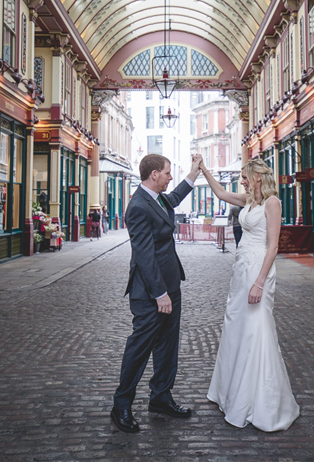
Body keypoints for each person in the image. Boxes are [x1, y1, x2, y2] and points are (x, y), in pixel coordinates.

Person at [200, 157, 300, 432]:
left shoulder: (272, 203)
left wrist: (259, 283)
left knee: (257, 329)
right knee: (237, 326)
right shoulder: (247, 201)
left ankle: (261, 400)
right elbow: (220, 193)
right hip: (240, 269)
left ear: (257, 177)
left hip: (258, 269)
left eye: (244, 176)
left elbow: (272, 246)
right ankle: (229, 392)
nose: (241, 180)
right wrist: (203, 169)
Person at [111, 153, 201, 434]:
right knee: (139, 347)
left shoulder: (158, 198)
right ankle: (121, 405)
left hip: (171, 286)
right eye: (167, 173)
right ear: (154, 175)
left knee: (167, 344)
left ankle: (161, 397)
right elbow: (144, 254)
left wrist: (194, 173)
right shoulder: (137, 206)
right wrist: (160, 294)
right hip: (150, 292)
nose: (170, 177)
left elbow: (173, 198)